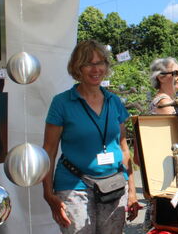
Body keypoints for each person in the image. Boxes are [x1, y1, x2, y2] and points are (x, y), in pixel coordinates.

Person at [42, 40, 139, 233]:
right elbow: (49, 151)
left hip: (114, 187)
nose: (96, 69)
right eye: (89, 63)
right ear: (77, 68)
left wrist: (133, 191)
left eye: (100, 62)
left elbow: (123, 147)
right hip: (74, 186)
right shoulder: (62, 103)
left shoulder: (114, 102)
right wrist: (47, 193)